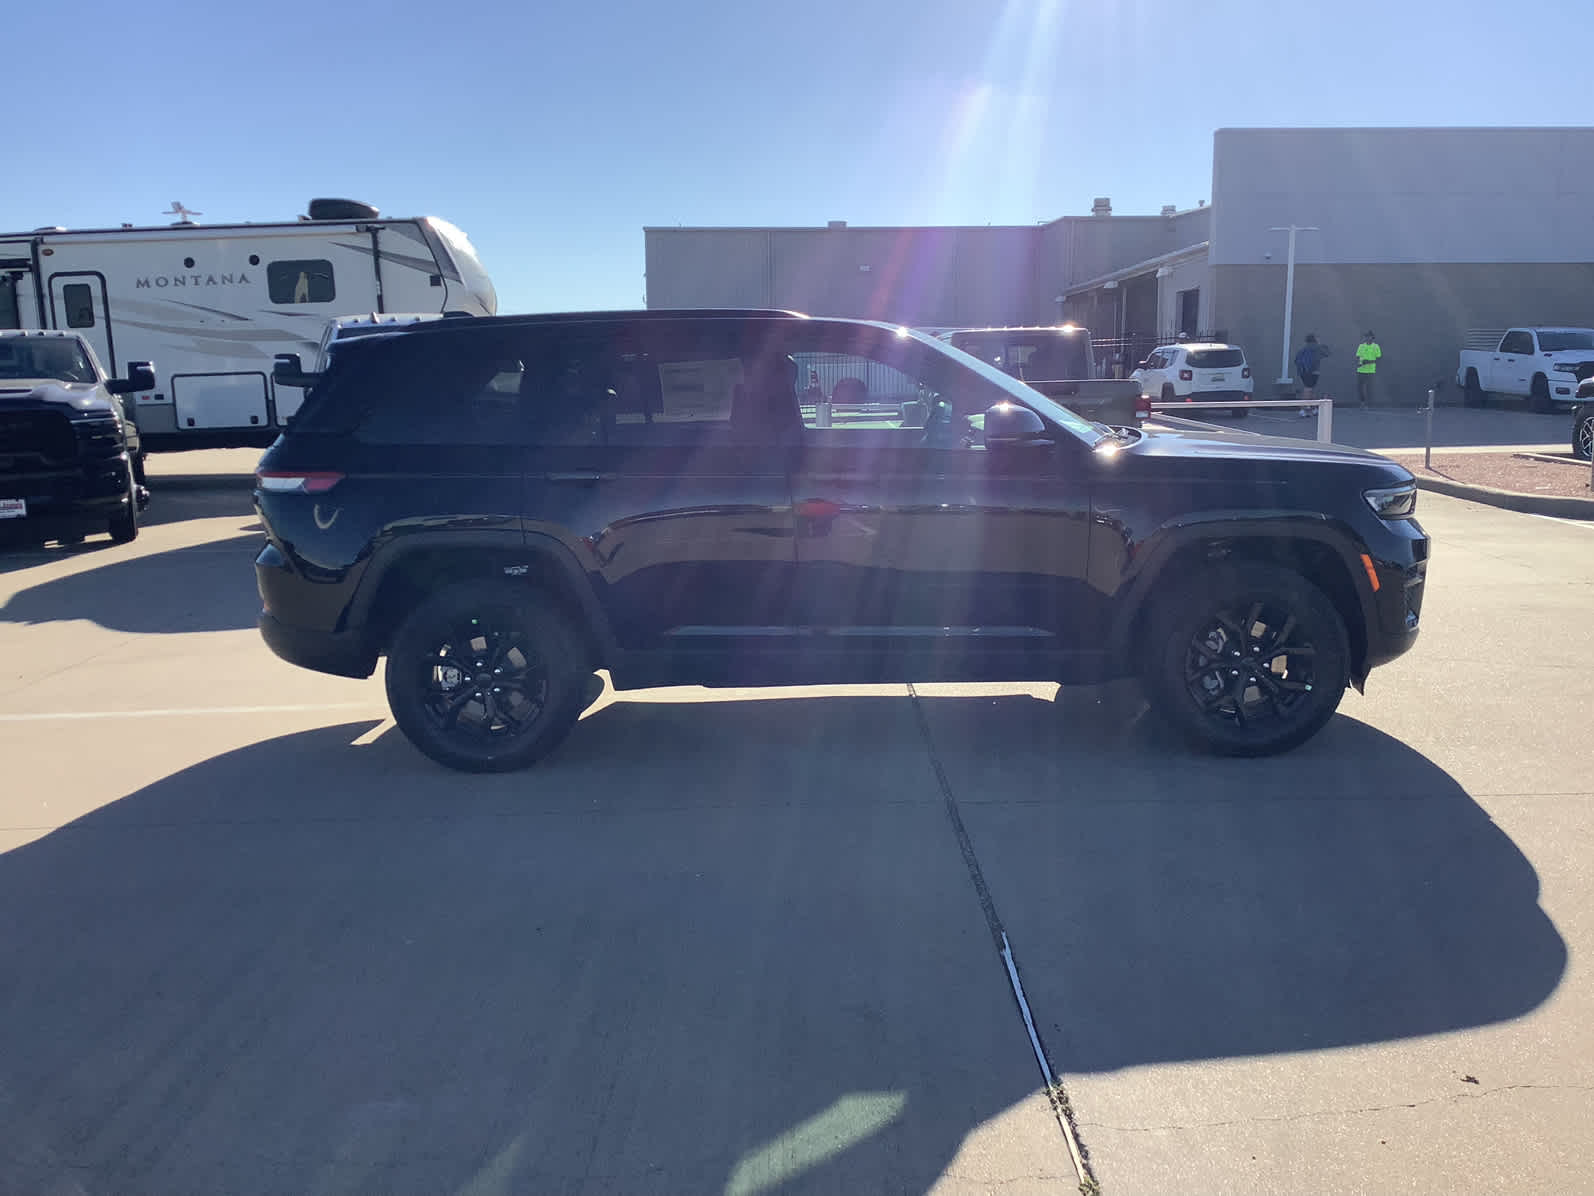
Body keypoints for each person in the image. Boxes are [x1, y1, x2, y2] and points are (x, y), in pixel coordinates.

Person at [1294, 333, 1329, 417]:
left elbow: (1296, 360)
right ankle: (1303, 409)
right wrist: (1320, 344)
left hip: (1303, 372)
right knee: (1308, 389)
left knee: (1310, 389)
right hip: (1312, 371)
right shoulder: (1316, 348)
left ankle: (1313, 409)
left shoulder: (1303, 349)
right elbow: (1327, 353)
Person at [1355, 330, 1382, 408]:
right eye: (1366, 336)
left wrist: (1368, 362)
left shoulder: (1376, 346)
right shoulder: (1361, 346)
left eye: (1369, 336)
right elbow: (1357, 356)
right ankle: (1362, 403)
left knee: (1369, 388)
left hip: (1370, 370)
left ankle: (1368, 403)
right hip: (1361, 370)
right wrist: (1360, 363)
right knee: (1360, 388)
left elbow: (1378, 359)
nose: (1367, 338)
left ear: (1372, 337)